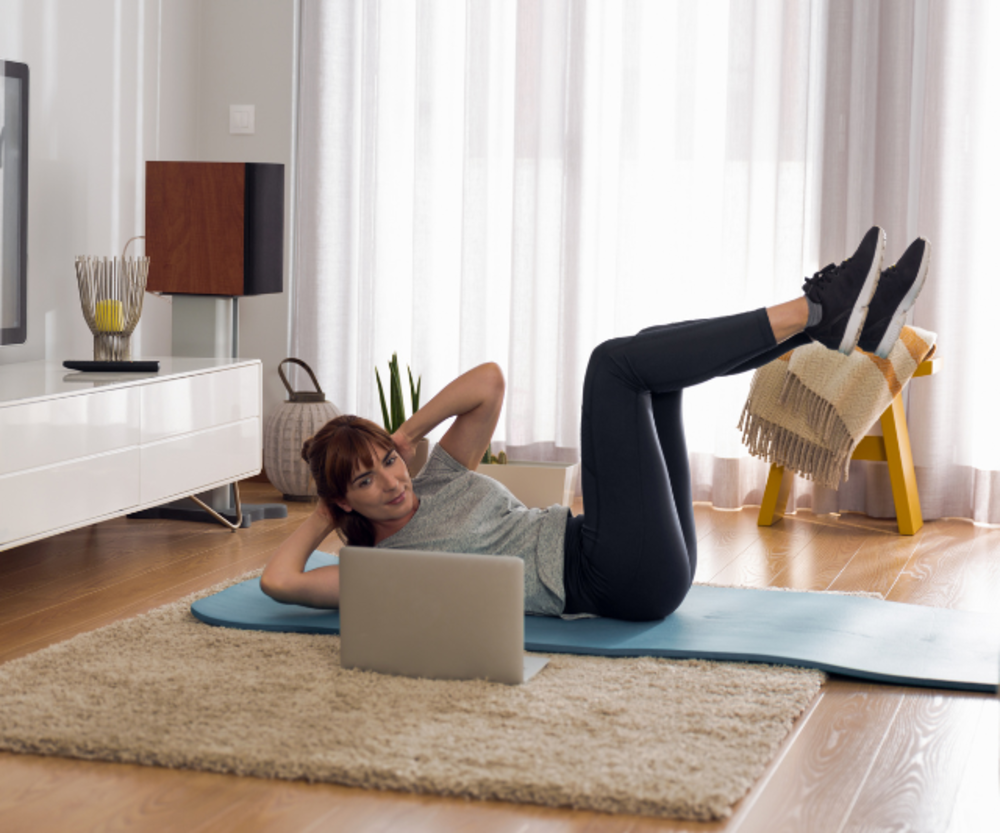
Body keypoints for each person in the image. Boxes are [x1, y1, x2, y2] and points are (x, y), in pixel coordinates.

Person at [261, 227, 929, 621]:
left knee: (650, 357)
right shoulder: (377, 567)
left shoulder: (434, 476)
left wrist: (408, 430)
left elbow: (489, 381)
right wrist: (325, 511)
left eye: (386, 461)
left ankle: (833, 328)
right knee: (613, 365)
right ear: (345, 499)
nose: (390, 480)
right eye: (366, 482)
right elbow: (280, 581)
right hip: (613, 576)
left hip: (636, 558)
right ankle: (818, 312)